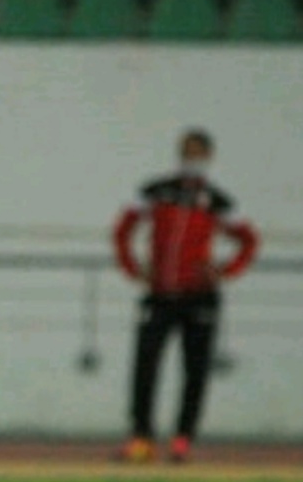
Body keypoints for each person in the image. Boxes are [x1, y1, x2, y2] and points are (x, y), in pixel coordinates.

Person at [111, 128, 259, 464]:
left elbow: (249, 240)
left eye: (197, 153)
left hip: (199, 296)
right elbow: (123, 229)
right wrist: (133, 267)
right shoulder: (157, 191)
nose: (190, 159)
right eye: (186, 152)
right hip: (160, 293)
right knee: (145, 366)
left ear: (208, 157)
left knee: (195, 370)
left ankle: (182, 439)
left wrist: (224, 270)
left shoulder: (216, 200)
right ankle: (142, 437)